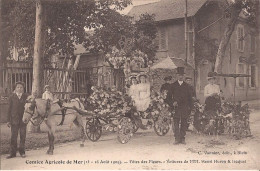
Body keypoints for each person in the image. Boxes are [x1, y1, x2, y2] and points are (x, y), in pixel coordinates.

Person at [170, 67, 192, 145]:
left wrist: (190, 107)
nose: (181, 76)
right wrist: (172, 102)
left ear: (184, 76)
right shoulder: (173, 85)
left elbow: (190, 98)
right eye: (179, 75)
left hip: (185, 107)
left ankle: (182, 138)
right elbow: (169, 97)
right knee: (176, 123)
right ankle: (177, 138)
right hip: (176, 107)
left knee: (184, 123)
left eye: (182, 75)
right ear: (177, 75)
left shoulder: (187, 86)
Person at [6, 81, 28, 159]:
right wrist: (8, 120)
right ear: (15, 88)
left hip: (23, 120)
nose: (19, 89)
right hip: (14, 120)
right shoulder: (11, 97)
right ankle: (12, 153)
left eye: (21, 87)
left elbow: (29, 108)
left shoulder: (26, 96)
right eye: (18, 87)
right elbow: (9, 109)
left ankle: (22, 152)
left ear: (23, 88)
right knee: (13, 137)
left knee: (23, 136)